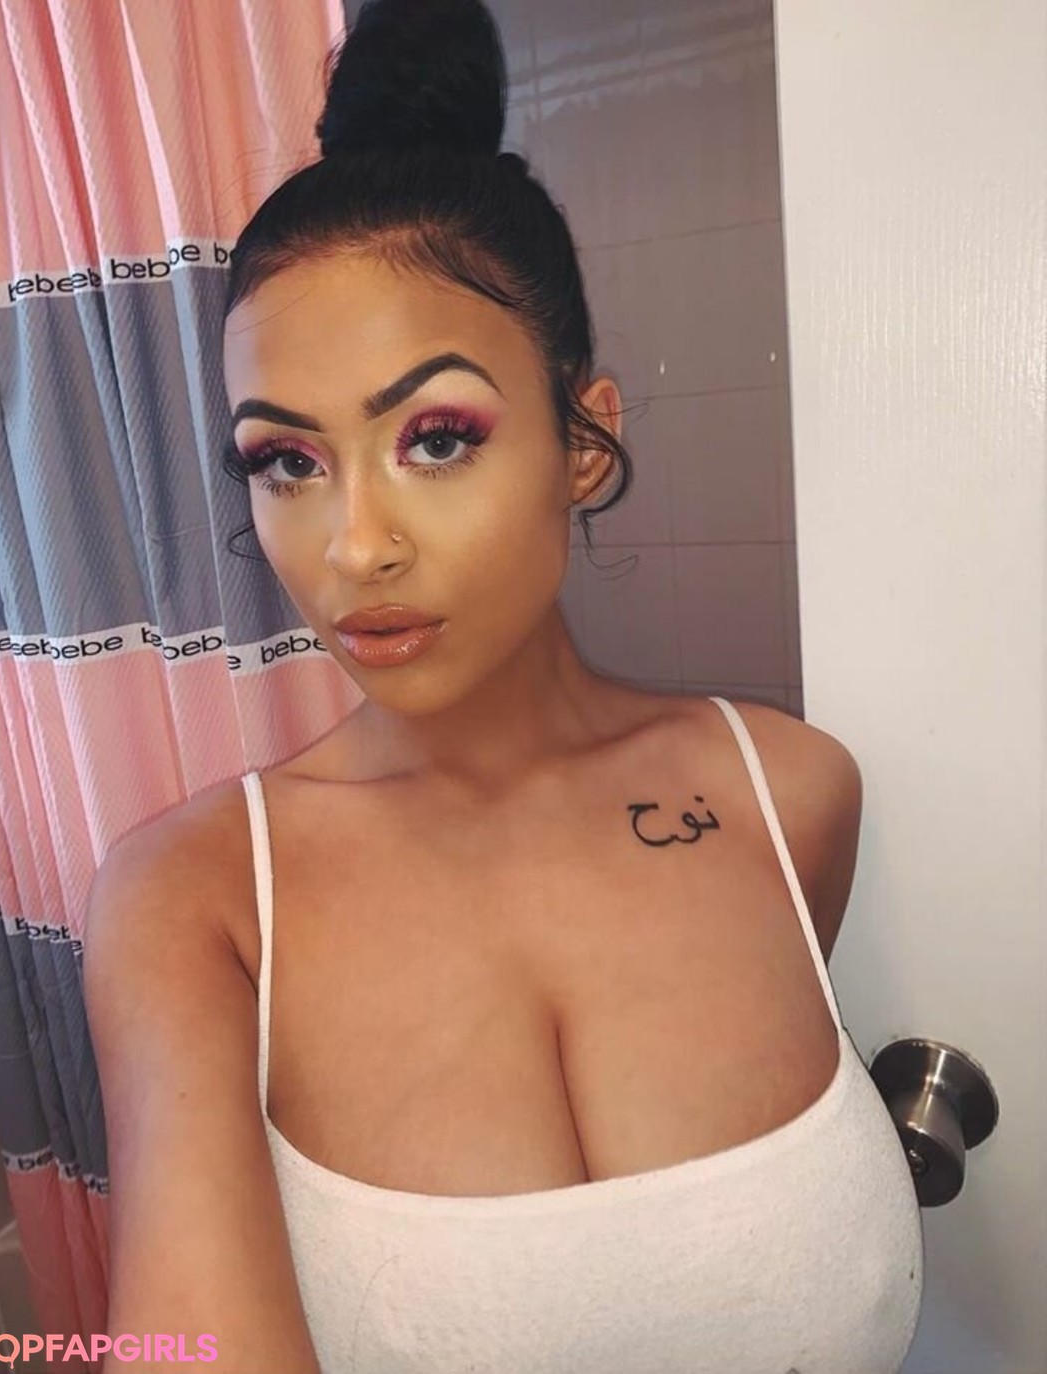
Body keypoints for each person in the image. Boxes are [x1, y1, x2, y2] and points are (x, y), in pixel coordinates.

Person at [84, 1, 924, 1370]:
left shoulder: (790, 792)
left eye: (435, 437)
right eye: (286, 461)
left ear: (584, 438)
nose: (356, 546)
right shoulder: (194, 902)